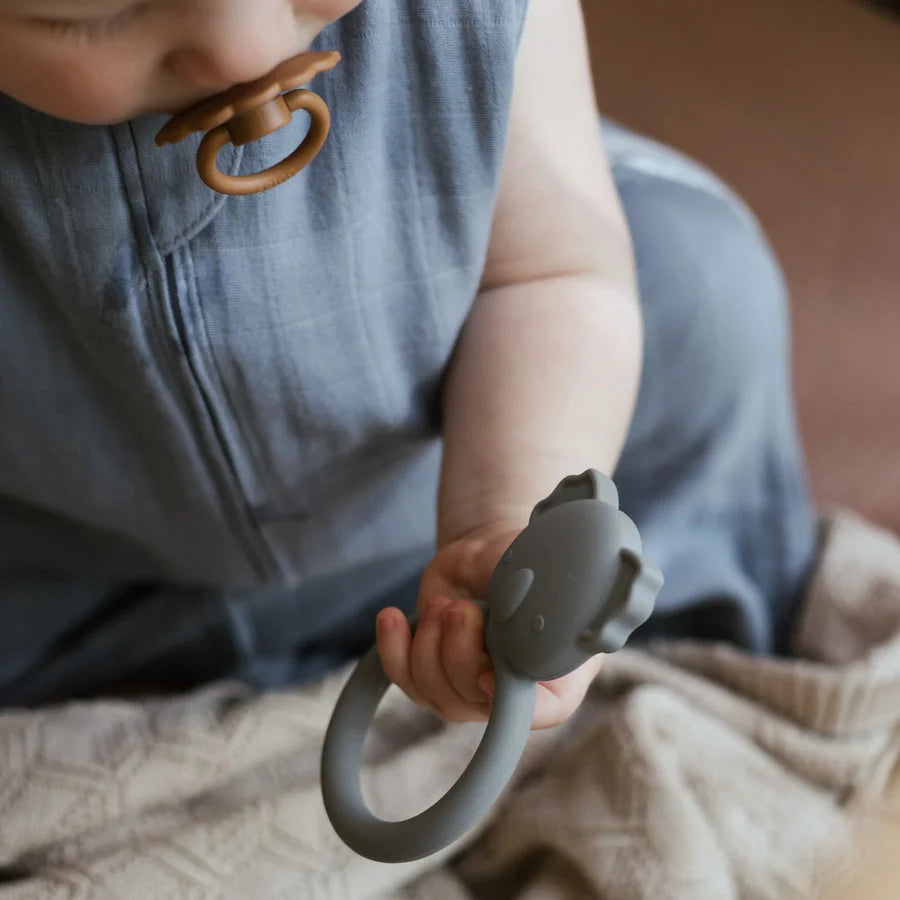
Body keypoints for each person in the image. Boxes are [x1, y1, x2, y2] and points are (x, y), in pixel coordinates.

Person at [0, 0, 816, 728]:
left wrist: (499, 519)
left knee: (707, 291)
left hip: (420, 501)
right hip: (82, 561)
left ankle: (703, 628)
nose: (242, 48)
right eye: (85, 15)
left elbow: (551, 275)